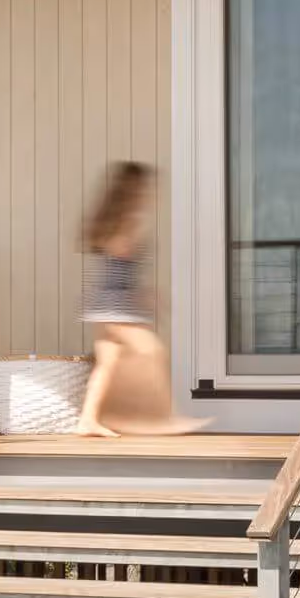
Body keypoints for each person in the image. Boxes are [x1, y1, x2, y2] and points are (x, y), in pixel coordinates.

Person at [76, 162, 208, 437]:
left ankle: (87, 419)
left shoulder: (116, 219)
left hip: (105, 305)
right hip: (115, 307)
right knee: (152, 352)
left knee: (108, 365)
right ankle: (163, 417)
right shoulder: (122, 220)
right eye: (144, 188)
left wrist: (146, 293)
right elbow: (118, 256)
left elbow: (117, 264)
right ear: (132, 189)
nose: (149, 194)